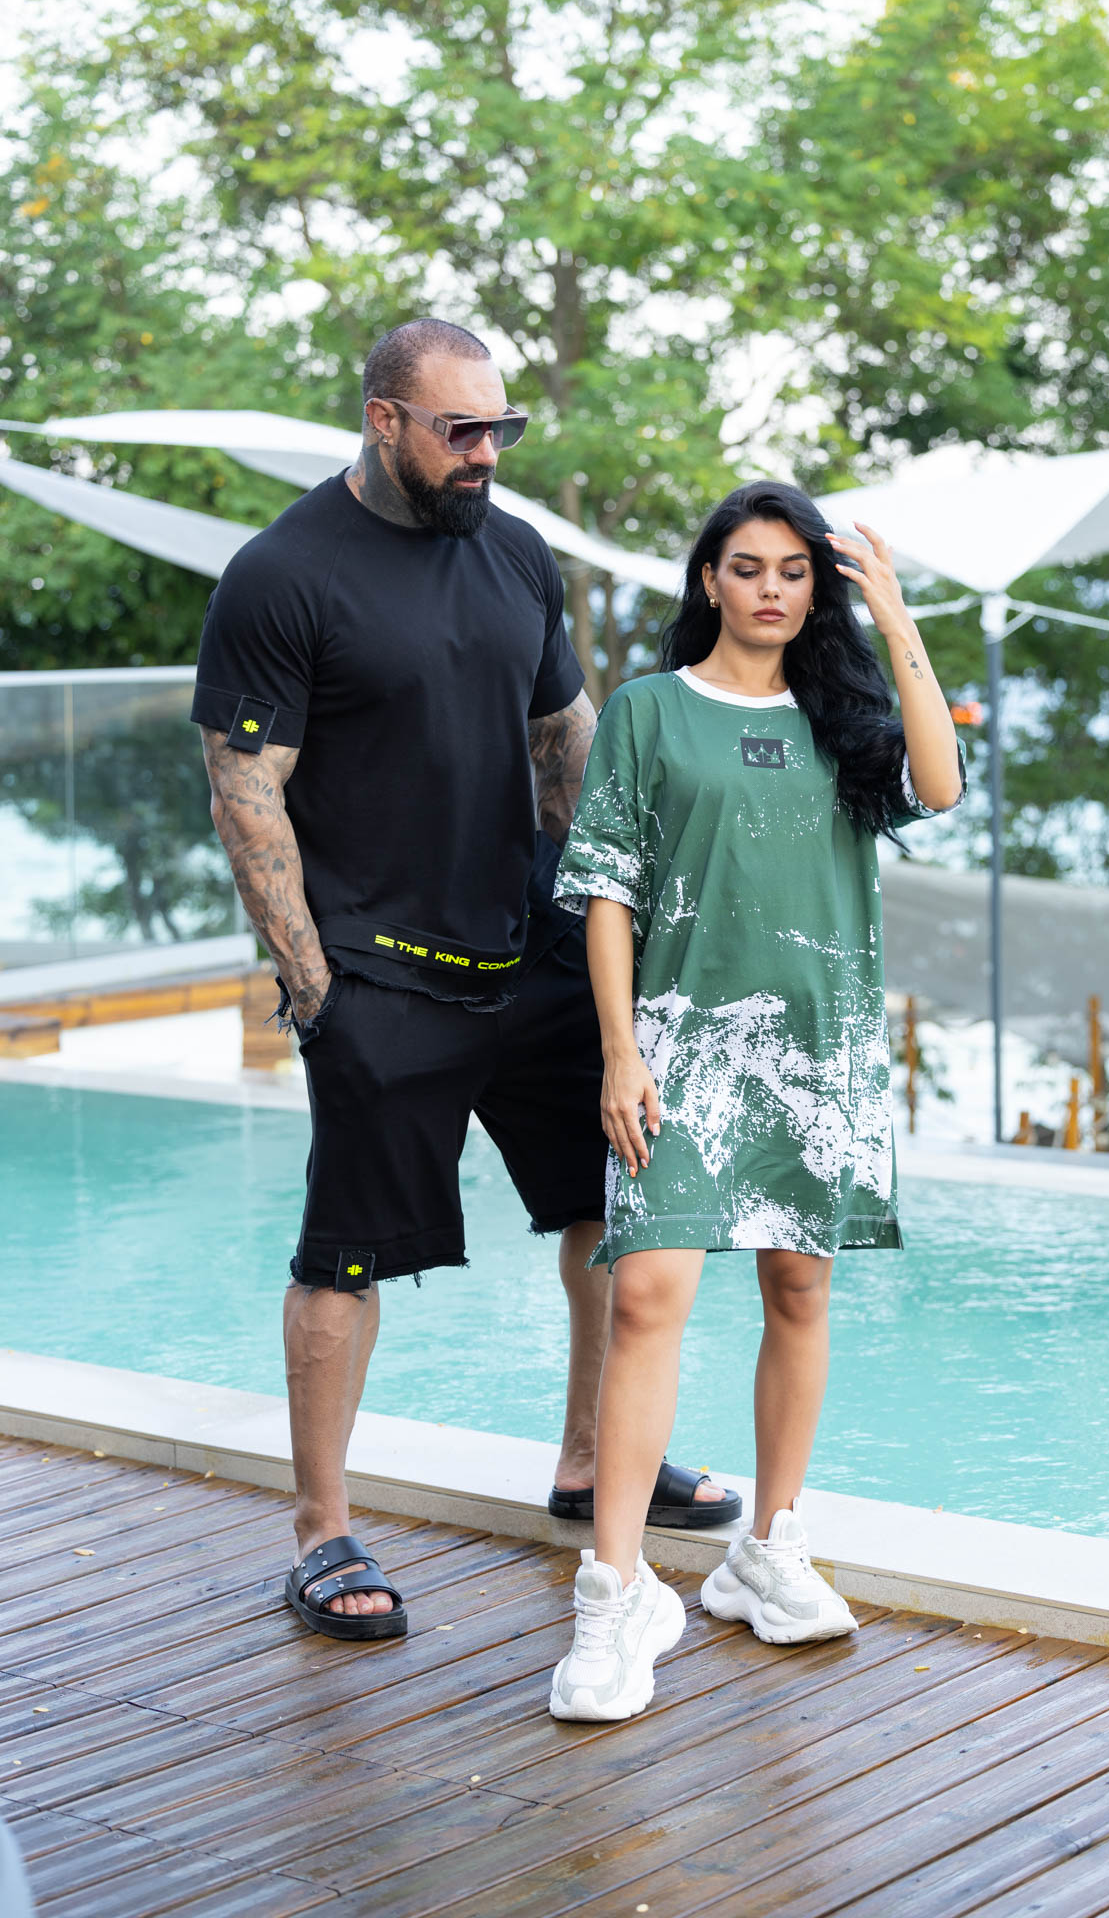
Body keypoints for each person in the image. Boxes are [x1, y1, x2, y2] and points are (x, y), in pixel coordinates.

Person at [193, 318, 738, 1641]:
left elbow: (565, 745)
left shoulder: (515, 554)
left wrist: (627, 916)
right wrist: (315, 989)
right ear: (385, 421)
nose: (487, 451)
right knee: (343, 1258)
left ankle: (591, 1460)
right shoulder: (282, 576)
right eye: (462, 429)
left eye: (502, 427)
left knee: (608, 1203)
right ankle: (321, 1532)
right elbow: (245, 791)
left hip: (532, 948)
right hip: (381, 973)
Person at [547, 481, 964, 1719]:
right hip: (674, 1045)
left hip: (815, 1049)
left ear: (814, 588)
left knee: (797, 1290)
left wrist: (896, 622)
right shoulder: (648, 711)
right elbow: (608, 889)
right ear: (708, 581)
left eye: (793, 571)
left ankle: (766, 1548)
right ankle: (614, 1594)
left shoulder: (842, 720)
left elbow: (939, 786)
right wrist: (618, 1053)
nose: (770, 589)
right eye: (746, 567)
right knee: (645, 1296)